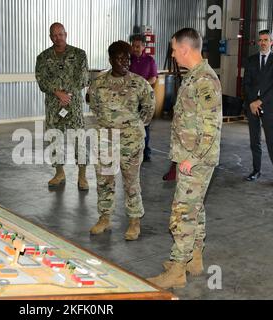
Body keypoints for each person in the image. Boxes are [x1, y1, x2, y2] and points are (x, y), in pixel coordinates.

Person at [147, 28, 222, 289]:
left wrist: (193, 157)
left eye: (174, 49)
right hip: (191, 156)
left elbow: (211, 126)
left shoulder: (204, 80)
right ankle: (194, 259)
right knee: (196, 208)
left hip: (196, 160)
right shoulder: (194, 76)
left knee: (183, 212)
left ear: (185, 49)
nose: (172, 54)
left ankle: (177, 269)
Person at [88, 41, 155, 241]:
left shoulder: (139, 83)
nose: (125, 62)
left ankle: (134, 221)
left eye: (127, 58)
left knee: (131, 181)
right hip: (106, 140)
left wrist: (134, 127)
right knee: (105, 180)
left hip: (131, 142)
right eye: (120, 58)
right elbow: (95, 108)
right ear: (110, 60)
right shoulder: (98, 84)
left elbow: (149, 109)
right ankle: (104, 217)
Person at [35, 22, 90, 191]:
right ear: (50, 37)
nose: (58, 38)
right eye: (54, 35)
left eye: (61, 34)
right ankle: (59, 173)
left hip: (73, 105)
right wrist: (58, 93)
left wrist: (68, 95)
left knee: (79, 139)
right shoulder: (43, 57)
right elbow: (41, 79)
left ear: (66, 34)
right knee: (55, 138)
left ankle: (82, 175)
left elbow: (83, 78)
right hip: (54, 105)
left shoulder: (79, 54)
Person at [243, 30, 273, 188]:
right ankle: (256, 171)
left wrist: (259, 101)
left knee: (272, 142)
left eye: (266, 40)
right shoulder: (251, 60)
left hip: (268, 107)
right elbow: (246, 84)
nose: (263, 42)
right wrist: (251, 102)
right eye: (260, 40)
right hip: (252, 106)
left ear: (271, 42)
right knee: (255, 141)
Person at [129, 34, 158, 163]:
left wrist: (142, 86)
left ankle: (145, 152)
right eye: (133, 46)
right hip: (130, 99)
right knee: (130, 125)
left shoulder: (150, 61)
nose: (135, 48)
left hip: (145, 99)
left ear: (143, 46)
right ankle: (131, 151)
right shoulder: (128, 60)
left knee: (144, 126)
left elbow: (153, 78)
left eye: (137, 46)